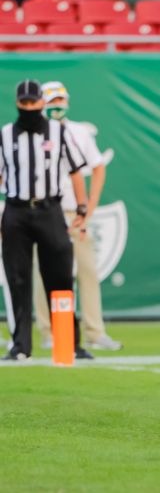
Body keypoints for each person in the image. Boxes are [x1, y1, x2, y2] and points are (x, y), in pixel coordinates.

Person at [1, 80, 93, 361]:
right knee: (17, 279)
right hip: (16, 211)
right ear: (18, 104)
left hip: (49, 210)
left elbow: (76, 171)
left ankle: (69, 343)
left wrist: (81, 208)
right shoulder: (5, 135)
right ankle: (21, 347)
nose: (29, 107)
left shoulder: (58, 132)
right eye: (24, 103)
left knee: (61, 276)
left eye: (33, 102)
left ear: (42, 102)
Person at [31, 81, 122, 352]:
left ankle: (95, 331)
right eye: (51, 100)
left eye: (60, 100)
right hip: (45, 209)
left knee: (87, 271)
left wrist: (89, 207)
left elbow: (97, 168)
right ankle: (48, 331)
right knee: (42, 272)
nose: (56, 105)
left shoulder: (79, 132)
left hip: (74, 210)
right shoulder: (33, 134)